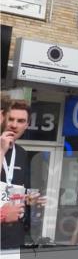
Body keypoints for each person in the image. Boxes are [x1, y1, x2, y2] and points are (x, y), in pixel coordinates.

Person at [1, 99, 35, 249]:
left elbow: (23, 190)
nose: (14, 125)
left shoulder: (22, 154)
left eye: (21, 121)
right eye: (11, 119)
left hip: (14, 235)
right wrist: (1, 150)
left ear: (27, 125)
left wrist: (29, 199)